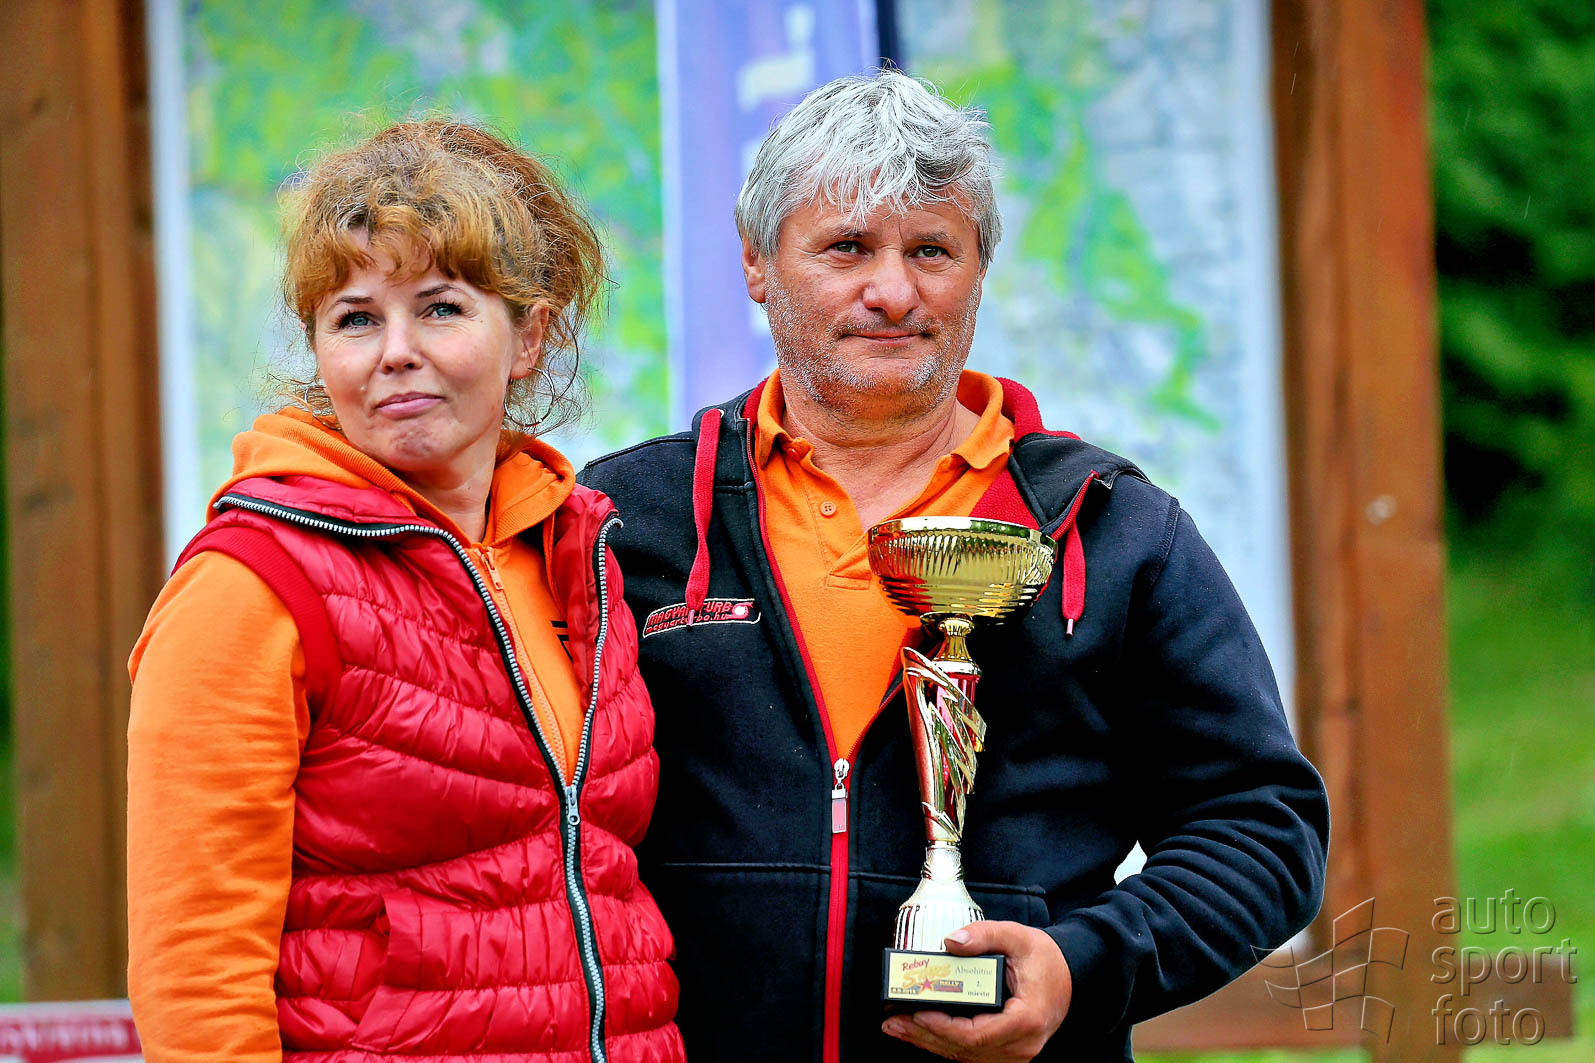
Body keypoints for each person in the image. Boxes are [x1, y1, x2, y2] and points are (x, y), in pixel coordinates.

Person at [579, 71, 1329, 1063]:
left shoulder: (1109, 529)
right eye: (846, 247)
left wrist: (1080, 965)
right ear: (756, 261)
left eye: (930, 250)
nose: (892, 291)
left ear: (978, 269)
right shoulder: (624, 522)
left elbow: (1262, 828)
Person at [127, 120, 685, 1063]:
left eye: (439, 308)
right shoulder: (250, 584)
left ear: (528, 337)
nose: (395, 351)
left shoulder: (579, 557)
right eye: (354, 318)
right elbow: (196, 969)